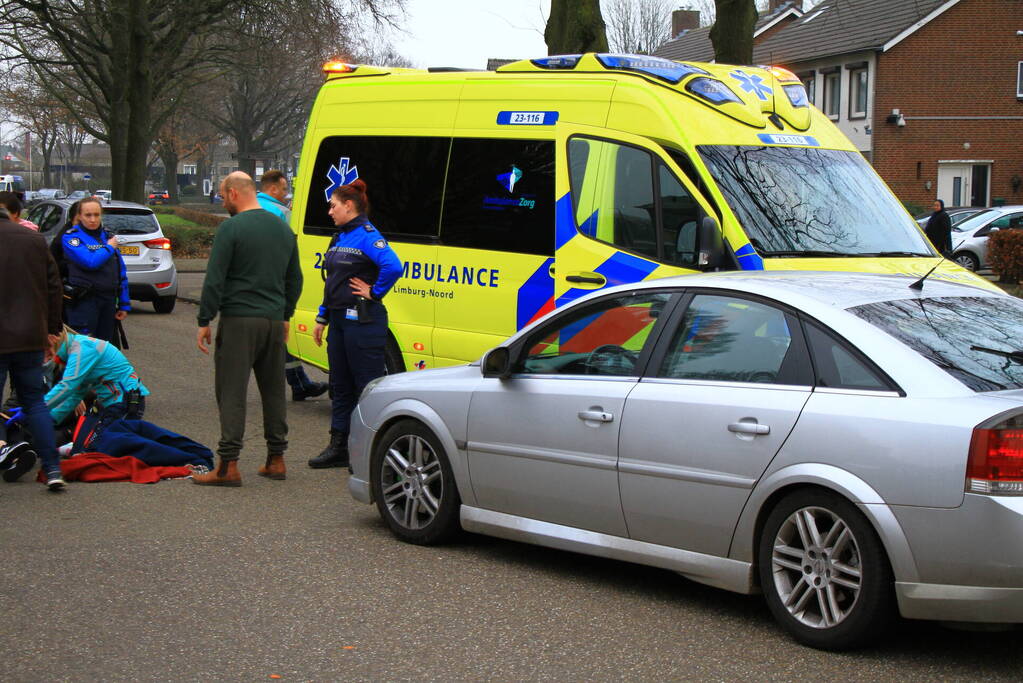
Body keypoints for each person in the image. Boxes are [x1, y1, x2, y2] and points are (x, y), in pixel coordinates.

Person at [194, 171, 303, 486]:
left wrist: (204, 319)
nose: (222, 200)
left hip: (239, 320)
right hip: (272, 321)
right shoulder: (283, 229)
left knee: (232, 391)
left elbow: (215, 277)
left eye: (221, 194)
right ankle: (276, 459)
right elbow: (294, 279)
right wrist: (285, 314)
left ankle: (228, 466)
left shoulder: (231, 228)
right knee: (273, 391)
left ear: (231, 193)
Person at [308, 179, 402, 469]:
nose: (329, 212)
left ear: (348, 206)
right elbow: (332, 281)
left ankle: (368, 453)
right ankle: (339, 446)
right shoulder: (339, 237)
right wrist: (322, 316)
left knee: (367, 389)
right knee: (340, 385)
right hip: (337, 321)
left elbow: (394, 266)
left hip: (363, 322)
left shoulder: (367, 235)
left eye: (333, 205)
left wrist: (374, 292)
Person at [0, 203, 67, 490]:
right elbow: (54, 287)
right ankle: (52, 468)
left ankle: (6, 450)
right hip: (29, 335)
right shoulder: (33, 240)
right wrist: (51, 330)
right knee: (35, 402)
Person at [257, 169, 328, 402]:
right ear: (273, 188)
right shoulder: (280, 213)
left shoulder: (250, 207)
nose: (287, 194)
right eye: (285, 189)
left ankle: (299, 383)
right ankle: (295, 384)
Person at [45, 325, 149, 428]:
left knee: (103, 442)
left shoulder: (81, 349)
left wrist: (36, 411)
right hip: (114, 403)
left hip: (124, 402)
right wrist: (50, 419)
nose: (45, 360)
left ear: (54, 340)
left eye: (47, 353)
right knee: (86, 440)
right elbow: (76, 394)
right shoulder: (75, 347)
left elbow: (67, 386)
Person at [60, 197, 130, 341]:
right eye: (88, 215)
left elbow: (120, 271)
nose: (93, 219)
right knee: (83, 350)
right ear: (79, 216)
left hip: (108, 301)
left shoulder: (107, 236)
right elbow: (90, 262)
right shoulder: (72, 238)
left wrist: (124, 303)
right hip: (84, 302)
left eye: (96, 215)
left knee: (105, 349)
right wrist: (109, 247)